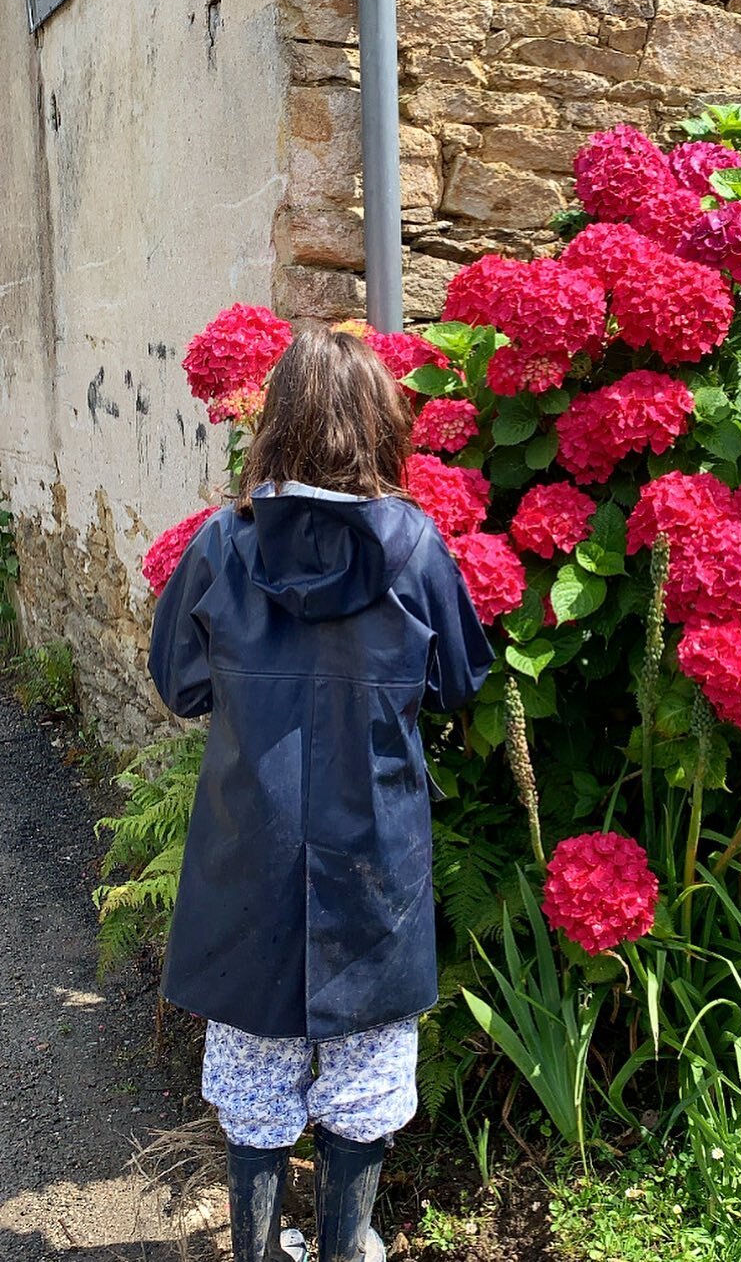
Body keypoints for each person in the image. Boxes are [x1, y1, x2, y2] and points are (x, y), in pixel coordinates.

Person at [148, 328, 494, 1262]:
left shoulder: (226, 542)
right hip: (373, 853)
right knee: (365, 1073)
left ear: (276, 423)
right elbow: (461, 680)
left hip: (244, 844)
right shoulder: (415, 546)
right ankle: (346, 1251)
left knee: (255, 1073)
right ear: (379, 424)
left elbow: (177, 683)